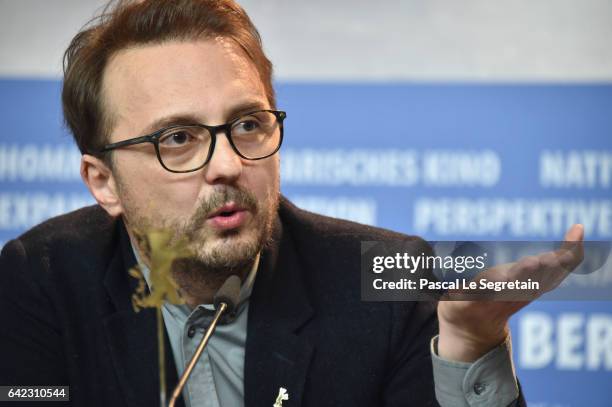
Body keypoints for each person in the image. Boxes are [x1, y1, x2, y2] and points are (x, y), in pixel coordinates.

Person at [0, 1, 583, 406]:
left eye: (248, 124)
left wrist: (470, 348)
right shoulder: (41, 279)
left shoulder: (388, 284)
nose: (228, 164)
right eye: (177, 138)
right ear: (103, 182)